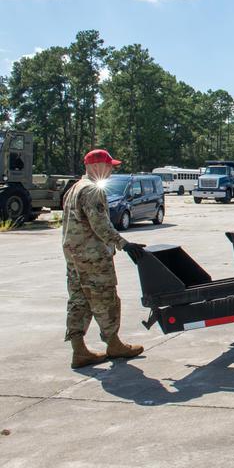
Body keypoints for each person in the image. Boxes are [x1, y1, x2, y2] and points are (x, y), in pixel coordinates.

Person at [62, 149, 147, 369]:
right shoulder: (92, 190)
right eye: (109, 166)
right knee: (105, 298)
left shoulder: (74, 188)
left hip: (74, 256)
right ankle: (113, 343)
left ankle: (78, 350)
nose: (111, 170)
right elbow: (99, 223)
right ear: (97, 166)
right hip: (93, 257)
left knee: (78, 301)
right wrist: (124, 244)